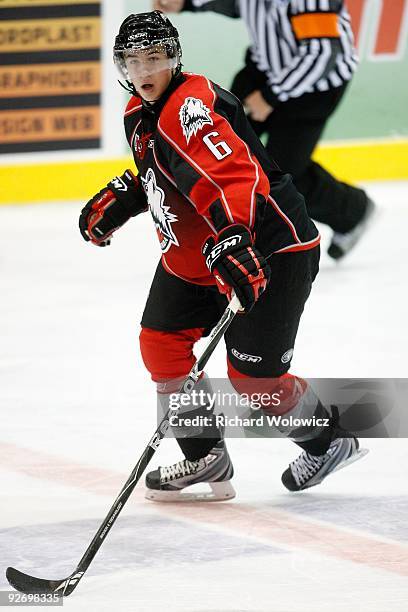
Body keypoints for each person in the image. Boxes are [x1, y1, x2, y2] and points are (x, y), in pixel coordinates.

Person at [79, 11, 366, 501]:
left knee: (256, 381)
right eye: (134, 60)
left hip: (269, 246)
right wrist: (129, 196)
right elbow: (171, 175)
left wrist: (233, 236)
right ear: (121, 65)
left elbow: (234, 178)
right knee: (162, 345)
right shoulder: (137, 113)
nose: (145, 70)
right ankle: (205, 458)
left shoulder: (189, 107)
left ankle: (328, 441)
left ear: (174, 58)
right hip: (199, 255)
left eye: (155, 57)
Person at [153, 0, 375, 260]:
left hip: (315, 86)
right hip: (265, 69)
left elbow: (323, 55)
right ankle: (224, 226)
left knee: (283, 172)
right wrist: (187, 3)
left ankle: (352, 211)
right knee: (223, 137)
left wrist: (270, 97)